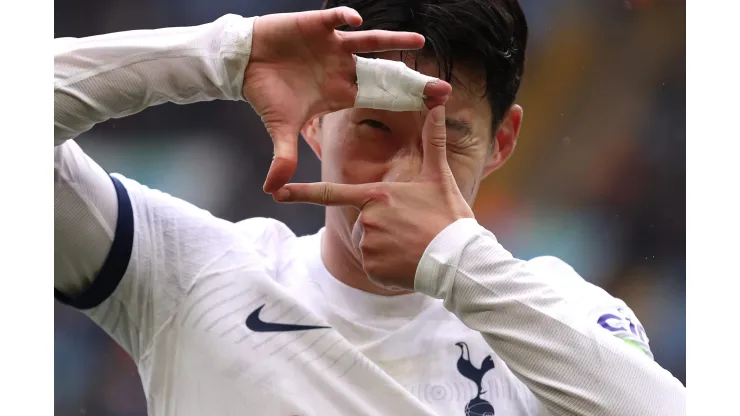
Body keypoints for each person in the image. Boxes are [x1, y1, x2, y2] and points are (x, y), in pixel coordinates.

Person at [54, 2, 686, 415]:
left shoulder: (559, 318)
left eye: (450, 137)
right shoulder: (186, 275)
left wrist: (456, 262)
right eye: (377, 129)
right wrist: (222, 56)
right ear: (313, 121)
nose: (407, 178)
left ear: (502, 143)